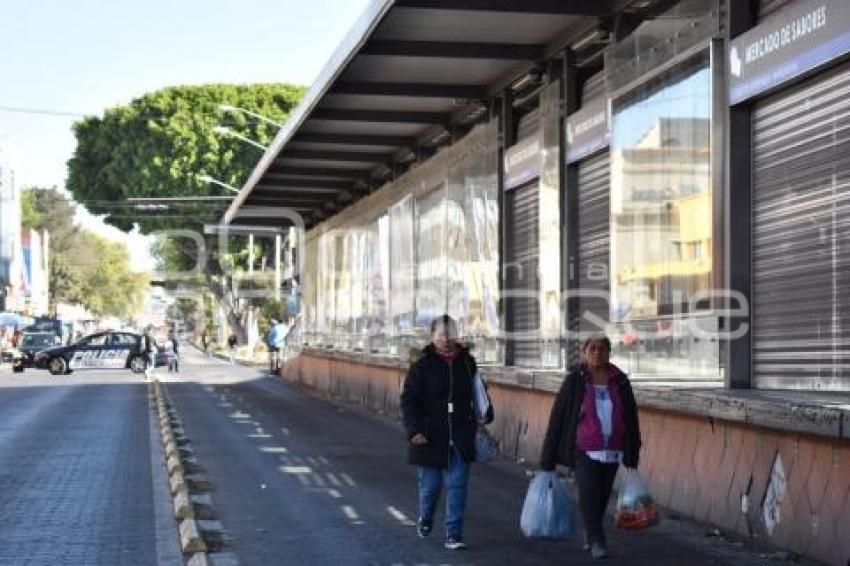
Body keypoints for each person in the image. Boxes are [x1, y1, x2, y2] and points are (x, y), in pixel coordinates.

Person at [540, 335, 642, 560]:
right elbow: (558, 417)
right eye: (592, 349)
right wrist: (548, 458)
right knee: (588, 493)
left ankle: (590, 530)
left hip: (613, 450)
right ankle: (597, 539)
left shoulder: (620, 381)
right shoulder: (575, 381)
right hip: (583, 449)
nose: (597, 353)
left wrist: (632, 452)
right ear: (585, 353)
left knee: (602, 496)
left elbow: (631, 418)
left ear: (609, 353)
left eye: (602, 349)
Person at [400, 314, 493, 551]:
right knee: (430, 488)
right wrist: (414, 430)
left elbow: (478, 393)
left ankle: (453, 533)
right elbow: (409, 400)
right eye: (441, 334)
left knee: (457, 486)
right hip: (429, 435)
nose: (446, 338)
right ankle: (426, 517)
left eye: (450, 333)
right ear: (432, 337)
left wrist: (485, 413)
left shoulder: (466, 363)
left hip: (461, 434)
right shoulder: (421, 365)